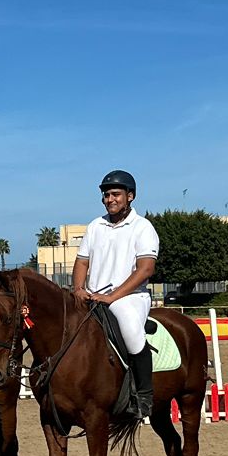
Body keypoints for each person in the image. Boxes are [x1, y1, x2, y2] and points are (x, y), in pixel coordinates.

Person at [73, 170, 161, 424]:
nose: (109, 199)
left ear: (130, 196)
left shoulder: (143, 227)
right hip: (93, 296)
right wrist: (78, 289)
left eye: (115, 194)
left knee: (132, 331)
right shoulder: (95, 226)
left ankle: (143, 396)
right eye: (106, 195)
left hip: (130, 297)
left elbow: (145, 269)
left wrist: (113, 297)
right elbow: (81, 263)